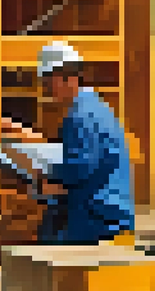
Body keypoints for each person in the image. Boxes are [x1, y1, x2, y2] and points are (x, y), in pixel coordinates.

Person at [35, 41, 135, 245]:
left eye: (47, 81)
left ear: (66, 77)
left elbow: (79, 167)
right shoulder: (95, 108)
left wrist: (46, 173)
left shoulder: (81, 116)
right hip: (108, 212)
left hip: (98, 219)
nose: (46, 88)